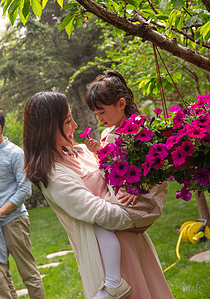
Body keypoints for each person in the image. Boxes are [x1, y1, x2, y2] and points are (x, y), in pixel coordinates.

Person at [23, 91, 173, 299]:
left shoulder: (84, 151)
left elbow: (118, 176)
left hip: (134, 241)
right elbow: (98, 213)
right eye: (68, 121)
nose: (75, 125)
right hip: (110, 258)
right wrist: (136, 218)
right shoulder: (53, 176)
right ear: (48, 127)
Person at [78, 70, 168, 298]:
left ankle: (113, 281)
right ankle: (113, 279)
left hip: (141, 200)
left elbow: (154, 165)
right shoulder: (110, 132)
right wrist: (100, 152)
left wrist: (138, 189)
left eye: (102, 111)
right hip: (124, 196)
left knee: (99, 221)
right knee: (96, 219)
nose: (99, 117)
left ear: (121, 103)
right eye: (95, 113)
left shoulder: (137, 129)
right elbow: (113, 166)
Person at [0, 106, 45, 298]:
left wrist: (0, 211)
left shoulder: (16, 154)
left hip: (13, 221)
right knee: (2, 275)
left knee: (28, 272)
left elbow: (25, 189)